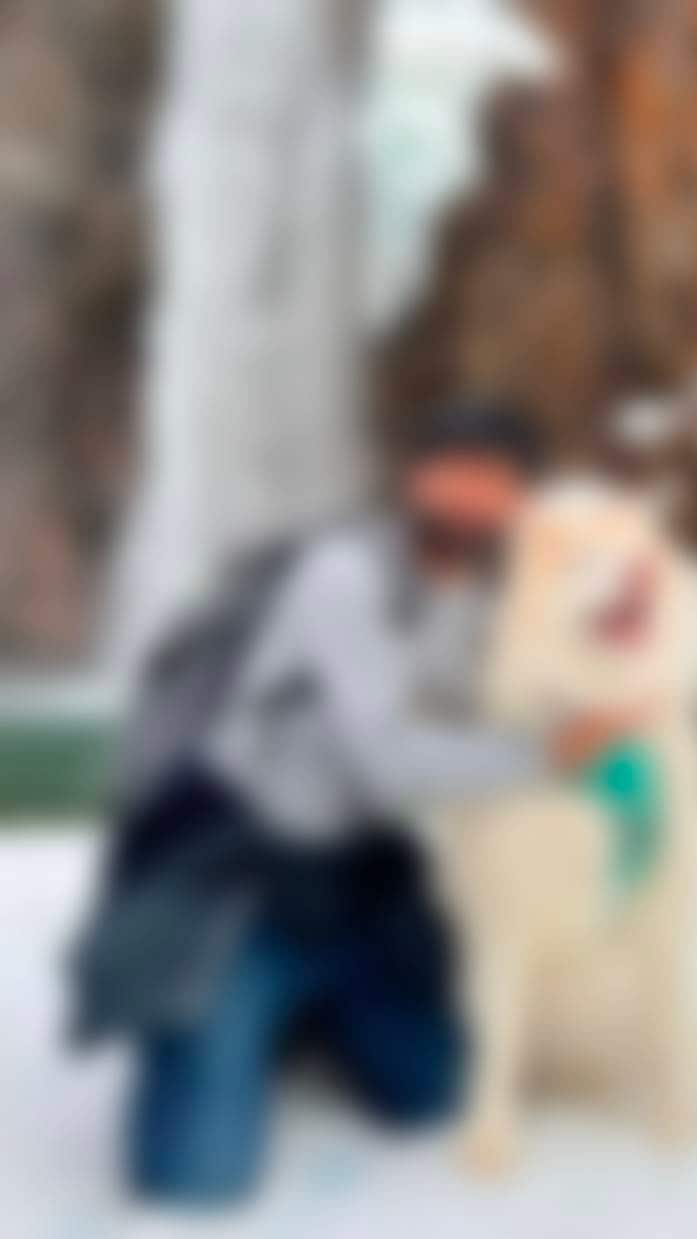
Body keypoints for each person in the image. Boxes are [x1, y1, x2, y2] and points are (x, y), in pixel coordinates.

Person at [71, 398, 636, 1205]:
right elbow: (389, 763)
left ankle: (310, 1011)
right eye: (456, 470)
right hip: (238, 879)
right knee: (192, 1175)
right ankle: (230, 1011)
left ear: (519, 503)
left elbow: (522, 698)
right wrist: (551, 756)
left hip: (353, 885)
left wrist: (605, 695)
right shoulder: (341, 573)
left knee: (437, 1092)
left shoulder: (486, 600)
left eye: (496, 480)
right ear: (417, 478)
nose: (472, 494)